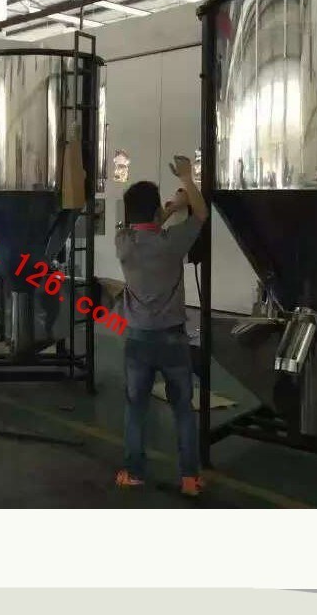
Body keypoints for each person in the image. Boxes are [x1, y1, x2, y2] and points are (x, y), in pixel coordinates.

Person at [114, 155, 209, 497]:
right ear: (156, 213)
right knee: (182, 409)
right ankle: (190, 478)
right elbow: (202, 214)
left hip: (137, 338)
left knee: (135, 408)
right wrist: (187, 179)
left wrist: (168, 209)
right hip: (172, 338)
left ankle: (133, 472)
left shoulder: (123, 243)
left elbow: (147, 225)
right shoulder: (172, 243)